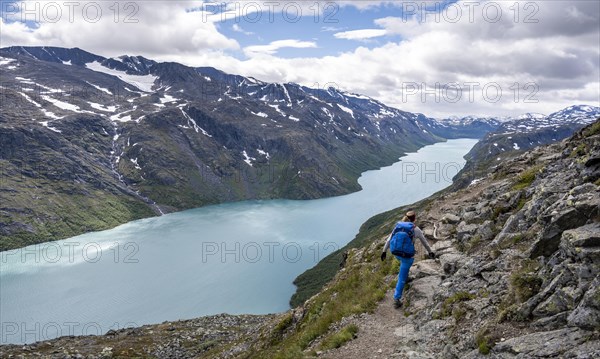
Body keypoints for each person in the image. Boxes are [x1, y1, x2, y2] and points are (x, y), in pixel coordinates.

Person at [381, 210, 436, 308]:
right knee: (401, 276)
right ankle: (396, 299)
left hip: (396, 253)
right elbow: (424, 243)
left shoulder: (398, 226)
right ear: (414, 219)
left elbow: (389, 240)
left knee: (402, 265)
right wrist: (430, 252)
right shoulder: (416, 229)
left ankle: (405, 277)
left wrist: (384, 251)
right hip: (406, 255)